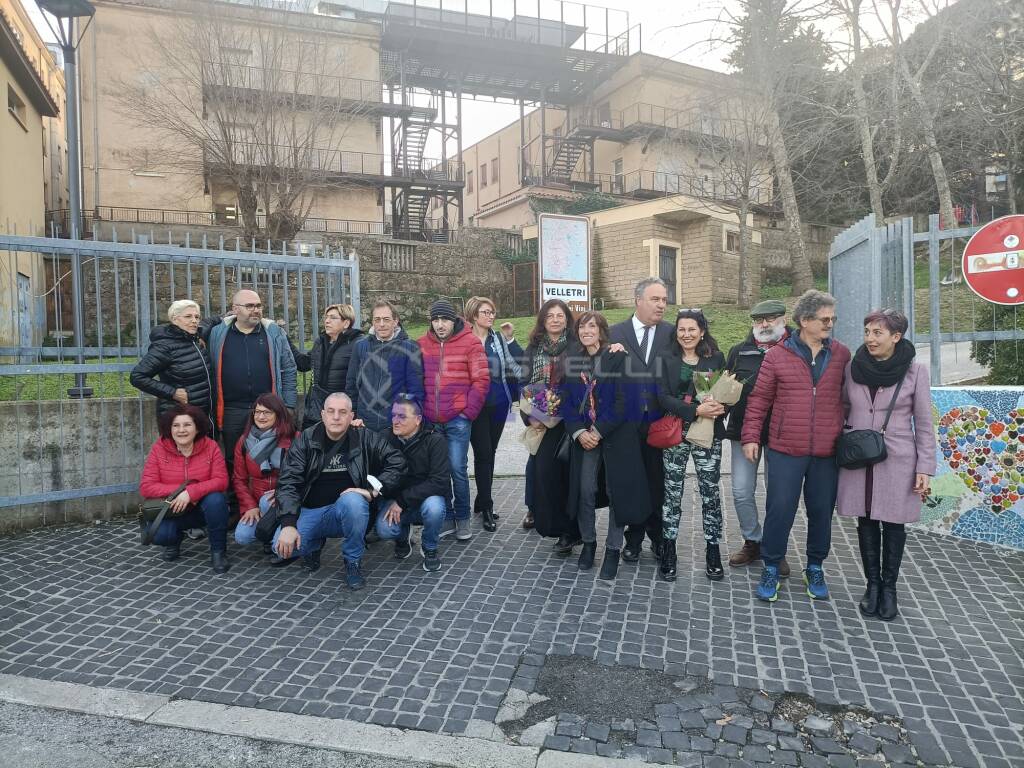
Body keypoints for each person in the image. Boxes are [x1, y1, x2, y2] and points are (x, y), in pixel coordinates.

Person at [742, 290, 851, 603]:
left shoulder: (841, 353)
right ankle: (772, 566)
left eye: (832, 319)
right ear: (805, 321)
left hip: (826, 451)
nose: (830, 324)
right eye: (824, 319)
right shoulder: (777, 355)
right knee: (780, 510)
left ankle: (815, 566)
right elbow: (759, 399)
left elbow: (850, 396)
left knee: (821, 512)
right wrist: (751, 437)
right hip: (784, 449)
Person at [838, 309, 934, 621]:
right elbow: (842, 405)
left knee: (893, 522)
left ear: (896, 337)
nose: (870, 338)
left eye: (877, 333)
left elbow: (924, 422)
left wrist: (925, 467)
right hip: (858, 457)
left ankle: (890, 587)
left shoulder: (915, 371)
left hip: (898, 458)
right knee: (865, 519)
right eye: (867, 331)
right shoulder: (853, 367)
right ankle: (873, 585)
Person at [273, 392, 406, 590]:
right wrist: (289, 524)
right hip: (312, 511)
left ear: (351, 416)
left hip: (349, 511)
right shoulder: (306, 440)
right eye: (331, 411)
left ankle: (352, 561)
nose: (336, 417)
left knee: (353, 500)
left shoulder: (365, 437)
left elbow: (398, 463)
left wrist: (373, 491)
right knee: (282, 548)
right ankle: (315, 544)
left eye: (342, 412)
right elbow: (288, 480)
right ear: (323, 414)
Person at [562, 311, 651, 580]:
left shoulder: (616, 357)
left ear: (602, 331)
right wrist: (579, 431)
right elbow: (566, 402)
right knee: (585, 490)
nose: (586, 330)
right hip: (585, 438)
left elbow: (625, 402)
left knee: (616, 494)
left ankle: (613, 549)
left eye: (592, 326)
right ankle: (589, 544)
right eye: (581, 327)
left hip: (613, 437)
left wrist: (599, 431)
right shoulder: (572, 361)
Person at [723, 300, 793, 576]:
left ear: (782, 320)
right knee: (741, 491)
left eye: (770, 319)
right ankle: (753, 541)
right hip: (743, 431)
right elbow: (725, 390)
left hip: (782, 434)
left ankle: (776, 549)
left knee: (779, 496)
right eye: (758, 320)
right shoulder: (739, 352)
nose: (763, 325)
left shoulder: (795, 348)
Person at [657, 309, 727, 582]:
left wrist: (720, 407)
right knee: (672, 493)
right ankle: (669, 550)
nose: (686, 335)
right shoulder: (666, 357)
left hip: (707, 432)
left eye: (692, 330)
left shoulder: (715, 358)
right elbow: (661, 396)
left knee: (710, 491)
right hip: (675, 432)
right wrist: (696, 410)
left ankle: (713, 550)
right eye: (681, 330)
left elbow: (725, 394)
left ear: (702, 331)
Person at [608, 277, 675, 563]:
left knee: (658, 481)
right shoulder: (614, 333)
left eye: (664, 300)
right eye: (655, 299)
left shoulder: (672, 334)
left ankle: (658, 537)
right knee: (632, 481)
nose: (662, 305)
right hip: (626, 423)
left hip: (659, 422)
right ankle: (632, 538)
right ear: (638, 300)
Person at [418, 299, 490, 541]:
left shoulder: (470, 343)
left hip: (457, 419)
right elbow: (417, 380)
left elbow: (481, 380)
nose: (440, 325)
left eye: (445, 320)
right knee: (439, 471)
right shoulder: (422, 344)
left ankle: (463, 518)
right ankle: (447, 517)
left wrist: (467, 412)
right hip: (431, 420)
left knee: (458, 469)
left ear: (453, 320)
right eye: (436, 320)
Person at [207, 289, 297, 465]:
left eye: (258, 305)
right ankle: (235, 494)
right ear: (235, 309)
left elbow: (289, 368)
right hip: (231, 410)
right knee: (233, 460)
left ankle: (269, 493)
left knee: (271, 460)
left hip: (267, 409)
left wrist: (289, 404)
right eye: (249, 306)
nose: (256, 310)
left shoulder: (273, 332)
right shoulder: (218, 333)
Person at [139, 403, 231, 573]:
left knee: (216, 500)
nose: (181, 430)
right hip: (171, 509)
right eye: (176, 425)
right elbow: (146, 487)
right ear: (169, 428)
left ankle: (218, 551)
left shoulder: (210, 446)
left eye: (187, 424)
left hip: (200, 508)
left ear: (197, 428)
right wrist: (180, 492)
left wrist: (191, 492)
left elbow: (221, 481)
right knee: (161, 535)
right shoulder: (159, 448)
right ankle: (173, 541)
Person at [521, 299, 577, 553]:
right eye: (550, 316)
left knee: (569, 478)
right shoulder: (532, 349)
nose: (555, 319)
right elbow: (523, 383)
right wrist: (530, 416)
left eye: (560, 315)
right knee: (545, 474)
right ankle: (551, 524)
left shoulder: (577, 347)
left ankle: (570, 531)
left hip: (572, 421)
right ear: (543, 320)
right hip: (542, 422)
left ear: (567, 319)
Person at [374, 395, 451, 572]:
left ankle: (430, 547)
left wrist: (402, 500)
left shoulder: (435, 440)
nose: (395, 421)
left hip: (424, 500)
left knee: (435, 508)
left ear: (417, 420)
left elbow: (440, 482)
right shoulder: (385, 437)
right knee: (384, 529)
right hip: (395, 502)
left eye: (402, 416)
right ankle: (402, 538)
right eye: (393, 415)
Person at [466, 296, 522, 532]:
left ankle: (481, 499)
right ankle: (487, 506)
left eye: (492, 312)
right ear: (474, 315)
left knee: (492, 452)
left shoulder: (497, 339)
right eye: (485, 312)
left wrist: (510, 339)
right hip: (476, 406)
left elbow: (516, 365)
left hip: (500, 404)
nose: (490, 316)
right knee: (483, 453)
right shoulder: (464, 339)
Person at [231, 393, 299, 563]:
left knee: (281, 547)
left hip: (286, 499)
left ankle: (281, 535)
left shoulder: (294, 439)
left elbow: (302, 476)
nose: (261, 416)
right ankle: (268, 532)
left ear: (278, 414)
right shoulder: (244, 441)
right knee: (242, 537)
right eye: (257, 412)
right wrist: (249, 506)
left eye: (267, 412)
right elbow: (239, 479)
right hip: (258, 502)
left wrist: (282, 495)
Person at [346, 300, 424, 433]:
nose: (381, 324)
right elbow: (351, 383)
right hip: (364, 422)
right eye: (377, 320)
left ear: (395, 321)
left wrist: (410, 419)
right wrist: (352, 415)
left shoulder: (410, 348)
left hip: (395, 423)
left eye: (386, 319)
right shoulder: (360, 346)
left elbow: (415, 388)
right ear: (372, 322)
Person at [130, 300, 213, 420]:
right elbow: (137, 376)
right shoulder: (165, 347)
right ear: (175, 319)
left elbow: (209, 322)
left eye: (197, 317)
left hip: (201, 414)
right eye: (188, 316)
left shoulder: (194, 338)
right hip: (178, 416)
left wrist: (229, 315)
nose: (194, 320)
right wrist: (173, 393)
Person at [291, 304, 364, 431]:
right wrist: (283, 338)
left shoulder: (358, 344)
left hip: (340, 412)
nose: (327, 321)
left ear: (346, 323)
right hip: (315, 410)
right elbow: (303, 364)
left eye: (333, 317)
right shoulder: (320, 342)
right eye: (326, 317)